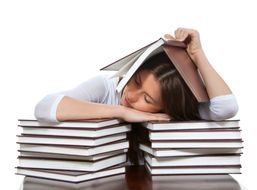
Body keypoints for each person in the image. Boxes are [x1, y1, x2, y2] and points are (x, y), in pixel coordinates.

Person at [34, 28, 238, 123]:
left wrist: (197, 54)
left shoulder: (169, 113)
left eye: (147, 99)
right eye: (137, 81)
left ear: (165, 107)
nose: (131, 95)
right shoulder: (110, 87)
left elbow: (225, 107)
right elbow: (45, 107)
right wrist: (121, 112)